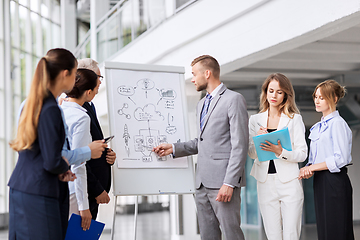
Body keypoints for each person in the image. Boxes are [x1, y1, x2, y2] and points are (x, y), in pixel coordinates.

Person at [153, 55, 248, 240]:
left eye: (194, 74)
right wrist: (173, 148)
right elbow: (202, 141)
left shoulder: (233, 99)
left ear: (207, 73)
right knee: (207, 235)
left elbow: (240, 145)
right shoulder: (201, 104)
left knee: (232, 234)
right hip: (202, 183)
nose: (192, 79)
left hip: (223, 182)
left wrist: (229, 183)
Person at [8, 48, 77, 240]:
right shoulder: (51, 109)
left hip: (21, 188)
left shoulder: (34, 104)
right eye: (75, 74)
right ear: (65, 74)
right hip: (38, 192)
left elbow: (41, 152)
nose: (75, 79)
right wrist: (64, 167)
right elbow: (52, 161)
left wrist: (60, 168)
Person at [248, 73, 307, 240]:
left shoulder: (294, 119)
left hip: (289, 182)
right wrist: (257, 140)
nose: (274, 95)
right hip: (265, 182)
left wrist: (280, 151)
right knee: (272, 235)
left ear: (286, 95)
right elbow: (251, 153)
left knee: (291, 235)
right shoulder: (255, 120)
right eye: (271, 90)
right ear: (265, 92)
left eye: (279, 92)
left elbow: (302, 154)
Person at [299, 80, 354, 240]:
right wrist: (310, 169)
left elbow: (340, 158)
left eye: (321, 98)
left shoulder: (337, 124)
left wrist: (313, 167)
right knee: (325, 229)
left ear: (334, 99)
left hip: (335, 181)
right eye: (315, 97)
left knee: (336, 230)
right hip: (321, 180)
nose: (316, 101)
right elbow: (316, 158)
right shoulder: (319, 126)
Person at [77, 58, 116, 220]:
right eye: (98, 77)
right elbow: (79, 158)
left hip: (92, 191)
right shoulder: (77, 111)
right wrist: (96, 189)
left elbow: (91, 144)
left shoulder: (89, 105)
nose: (99, 83)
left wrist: (107, 153)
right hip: (87, 190)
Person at [62, 68, 100, 231]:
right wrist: (84, 207)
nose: (97, 93)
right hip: (73, 193)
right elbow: (79, 164)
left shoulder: (60, 109)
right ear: (89, 92)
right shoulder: (81, 117)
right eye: (97, 89)